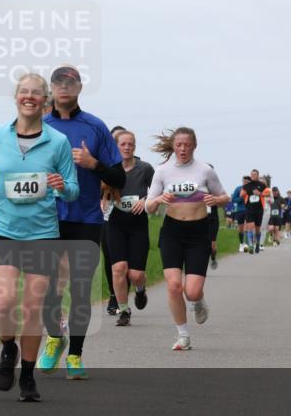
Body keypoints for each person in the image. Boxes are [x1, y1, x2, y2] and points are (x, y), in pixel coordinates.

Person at [0, 74, 79, 402]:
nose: (29, 97)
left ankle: (28, 377)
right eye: (24, 92)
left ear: (45, 101)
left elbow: (73, 190)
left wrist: (62, 187)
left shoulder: (57, 142)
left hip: (43, 234)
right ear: (16, 98)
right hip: (3, 230)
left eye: (36, 93)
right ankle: (7, 348)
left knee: (32, 309)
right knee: (3, 303)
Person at [38, 65, 125, 380]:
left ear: (78, 88)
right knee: (48, 287)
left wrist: (94, 164)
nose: (64, 87)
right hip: (46, 219)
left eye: (70, 83)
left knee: (80, 287)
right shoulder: (38, 126)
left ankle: (75, 354)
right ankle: (53, 338)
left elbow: (118, 176)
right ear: (52, 88)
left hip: (86, 218)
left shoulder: (95, 127)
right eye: (59, 82)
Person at [146, 127, 230, 351]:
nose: (182, 148)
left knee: (191, 291)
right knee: (174, 286)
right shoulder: (163, 171)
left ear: (194, 145)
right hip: (172, 232)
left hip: (198, 233)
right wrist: (159, 200)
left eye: (187, 144)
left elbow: (225, 197)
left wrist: (215, 199)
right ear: (173, 146)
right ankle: (183, 335)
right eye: (179, 144)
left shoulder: (205, 171)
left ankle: (198, 301)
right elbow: (148, 205)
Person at [105, 130, 155, 327]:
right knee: (118, 268)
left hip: (138, 225)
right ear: (116, 146)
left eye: (130, 144)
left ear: (134, 147)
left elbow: (157, 192)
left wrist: (145, 201)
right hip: (115, 223)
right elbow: (96, 188)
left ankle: (140, 288)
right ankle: (124, 310)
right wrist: (102, 199)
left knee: (135, 274)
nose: (127, 148)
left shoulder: (145, 169)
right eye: (123, 144)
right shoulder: (109, 169)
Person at [101, 125, 127, 316]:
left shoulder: (136, 165)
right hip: (106, 213)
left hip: (128, 216)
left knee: (125, 260)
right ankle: (113, 295)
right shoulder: (103, 162)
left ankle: (124, 294)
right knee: (109, 255)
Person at [239, 169, 267, 254]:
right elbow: (241, 194)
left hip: (259, 210)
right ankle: (251, 245)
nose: (253, 176)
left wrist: (260, 194)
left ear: (258, 176)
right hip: (249, 209)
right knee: (250, 227)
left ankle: (257, 243)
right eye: (252, 174)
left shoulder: (262, 185)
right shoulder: (247, 185)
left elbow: (268, 193)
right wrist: (243, 194)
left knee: (258, 229)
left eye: (255, 174)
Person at [231, 176, 248, 252]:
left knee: (247, 227)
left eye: (247, 181)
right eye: (244, 181)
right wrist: (241, 198)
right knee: (241, 229)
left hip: (249, 210)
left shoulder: (252, 189)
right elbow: (233, 200)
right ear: (242, 181)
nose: (245, 182)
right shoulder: (238, 189)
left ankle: (247, 244)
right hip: (240, 210)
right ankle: (241, 244)